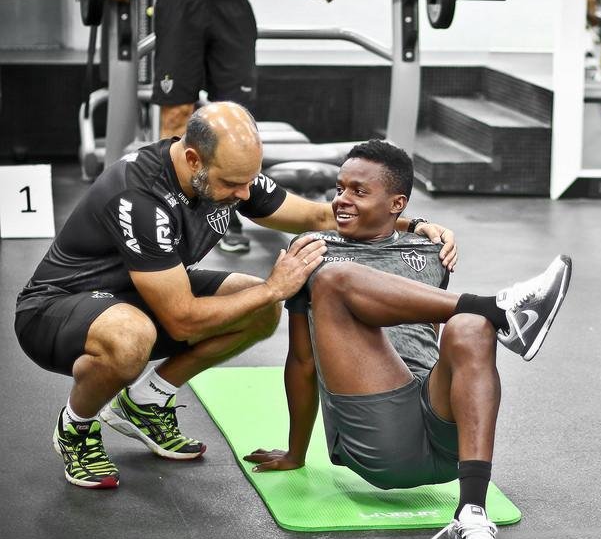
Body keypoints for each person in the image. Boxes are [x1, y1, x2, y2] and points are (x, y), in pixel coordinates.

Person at [15, 102, 456, 491]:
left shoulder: (227, 174)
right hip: (56, 308)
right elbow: (182, 321)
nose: (246, 196)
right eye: (234, 185)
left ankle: (145, 402)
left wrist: (414, 226)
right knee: (134, 335)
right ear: (193, 160)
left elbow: (324, 215)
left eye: (250, 181)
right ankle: (75, 427)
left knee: (257, 305)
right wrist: (274, 287)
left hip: (137, 294)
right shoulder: (140, 196)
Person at [242, 140, 572, 539]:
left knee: (469, 327)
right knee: (337, 280)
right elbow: (302, 361)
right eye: (339, 188)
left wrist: (426, 233)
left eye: (358, 192)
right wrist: (296, 452)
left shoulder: (432, 251)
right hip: (378, 436)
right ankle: (498, 308)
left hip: (446, 440)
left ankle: (471, 516)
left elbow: (435, 343)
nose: (341, 199)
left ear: (396, 204)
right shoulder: (312, 250)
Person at [107, 0, 337, 254]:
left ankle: (226, 217)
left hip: (232, 4)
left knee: (236, 117)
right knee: (176, 112)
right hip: (180, 1)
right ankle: (169, 214)